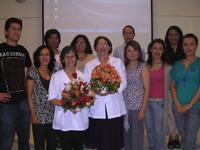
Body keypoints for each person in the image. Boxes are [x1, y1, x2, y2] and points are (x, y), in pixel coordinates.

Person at [84, 36, 127, 150]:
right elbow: (87, 86)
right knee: (99, 142)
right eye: (99, 44)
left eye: (105, 44)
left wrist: (109, 90)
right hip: (97, 108)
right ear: (95, 48)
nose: (102, 46)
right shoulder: (89, 65)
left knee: (114, 142)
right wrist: (97, 91)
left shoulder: (117, 62)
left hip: (114, 107)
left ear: (109, 47)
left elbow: (123, 83)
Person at [0, 17, 32, 150]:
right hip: (6, 104)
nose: (16, 32)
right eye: (13, 28)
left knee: (24, 140)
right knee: (6, 141)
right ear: (6, 31)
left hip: (23, 102)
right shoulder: (0, 49)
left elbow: (30, 72)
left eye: (19, 29)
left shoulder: (23, 50)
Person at [48, 46, 89, 150]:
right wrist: (69, 105)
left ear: (76, 59)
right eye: (67, 57)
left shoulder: (83, 76)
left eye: (72, 56)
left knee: (79, 147)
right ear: (62, 59)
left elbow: (88, 97)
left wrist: (79, 105)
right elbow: (52, 99)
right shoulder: (56, 76)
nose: (70, 59)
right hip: (64, 120)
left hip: (79, 119)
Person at [170, 33, 200, 150]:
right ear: (182, 47)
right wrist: (177, 104)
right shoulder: (177, 65)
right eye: (185, 44)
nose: (188, 47)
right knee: (185, 138)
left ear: (196, 46)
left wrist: (190, 104)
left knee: (189, 140)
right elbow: (172, 86)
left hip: (195, 107)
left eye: (191, 44)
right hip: (177, 107)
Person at [27, 45, 56, 150]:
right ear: (38, 57)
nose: (45, 57)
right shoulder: (33, 73)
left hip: (53, 117)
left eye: (47, 54)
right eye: (42, 54)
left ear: (50, 57)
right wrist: (33, 115)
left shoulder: (54, 74)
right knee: (39, 147)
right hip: (38, 117)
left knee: (52, 146)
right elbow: (29, 96)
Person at [145, 39, 171, 150]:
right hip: (146, 103)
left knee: (158, 130)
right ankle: (152, 146)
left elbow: (171, 87)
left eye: (160, 48)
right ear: (150, 49)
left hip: (159, 103)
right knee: (149, 128)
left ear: (164, 51)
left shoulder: (168, 68)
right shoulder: (145, 67)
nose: (157, 51)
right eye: (155, 48)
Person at [123, 40, 149, 150]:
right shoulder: (124, 67)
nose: (132, 53)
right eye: (129, 50)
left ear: (139, 52)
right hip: (125, 108)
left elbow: (147, 89)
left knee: (136, 137)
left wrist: (143, 109)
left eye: (135, 50)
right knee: (127, 136)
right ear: (126, 53)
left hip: (137, 107)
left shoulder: (142, 67)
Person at [164, 25, 184, 149]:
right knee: (170, 112)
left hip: (182, 86)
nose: (173, 37)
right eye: (170, 34)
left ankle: (178, 136)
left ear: (180, 36)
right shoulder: (164, 51)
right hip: (167, 85)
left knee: (179, 111)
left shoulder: (185, 49)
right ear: (167, 36)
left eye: (175, 34)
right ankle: (171, 136)